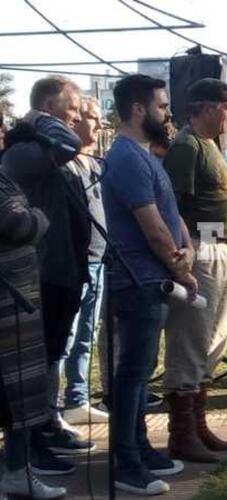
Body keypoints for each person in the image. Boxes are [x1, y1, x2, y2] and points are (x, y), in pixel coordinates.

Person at [103, 74, 193, 495]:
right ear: (138, 109)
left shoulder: (143, 155)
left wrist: (187, 245)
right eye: (160, 106)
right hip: (138, 278)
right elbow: (152, 226)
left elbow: (170, 214)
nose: (167, 113)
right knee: (132, 375)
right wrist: (182, 270)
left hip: (154, 277)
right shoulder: (124, 156)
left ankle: (140, 448)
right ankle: (126, 462)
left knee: (141, 373)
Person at [1, 75, 94, 468]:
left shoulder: (42, 149)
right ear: (50, 110)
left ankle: (44, 427)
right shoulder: (26, 150)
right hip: (40, 273)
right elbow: (71, 143)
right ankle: (30, 445)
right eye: (69, 111)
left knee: (53, 355)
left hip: (60, 269)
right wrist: (37, 119)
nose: (74, 120)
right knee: (36, 366)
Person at [163, 78, 227, 463]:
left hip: (220, 249)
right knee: (190, 341)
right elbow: (170, 205)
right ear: (208, 107)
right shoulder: (186, 146)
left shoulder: (210, 145)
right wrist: (186, 253)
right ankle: (182, 434)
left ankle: (198, 426)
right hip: (201, 249)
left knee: (213, 340)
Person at [0, 131, 66, 499]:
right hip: (6, 302)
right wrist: (38, 217)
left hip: (17, 302)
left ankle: (16, 471)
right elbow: (17, 224)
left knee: (19, 399)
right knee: (9, 394)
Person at [57, 97, 109, 426]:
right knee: (66, 339)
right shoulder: (64, 165)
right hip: (75, 264)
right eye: (91, 117)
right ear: (73, 120)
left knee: (87, 337)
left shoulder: (96, 164)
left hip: (100, 259)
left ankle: (77, 399)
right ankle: (51, 409)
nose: (98, 125)